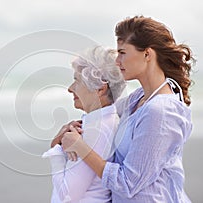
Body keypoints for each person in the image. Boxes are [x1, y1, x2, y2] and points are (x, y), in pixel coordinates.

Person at [61, 15, 195, 202]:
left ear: (147, 54)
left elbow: (127, 184)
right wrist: (72, 127)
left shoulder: (161, 111)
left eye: (122, 53)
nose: (117, 61)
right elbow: (102, 113)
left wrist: (80, 147)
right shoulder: (138, 98)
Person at [42, 46, 126, 202]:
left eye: (77, 81)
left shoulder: (97, 129)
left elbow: (66, 195)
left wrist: (56, 154)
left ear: (100, 89)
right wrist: (60, 140)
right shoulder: (105, 121)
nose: (70, 89)